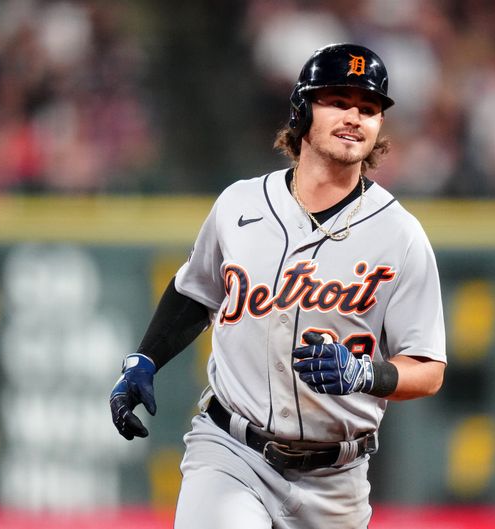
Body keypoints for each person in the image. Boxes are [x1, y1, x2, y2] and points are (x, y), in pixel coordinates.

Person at [109, 43, 447, 529]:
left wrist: (365, 375)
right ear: (302, 110)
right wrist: (144, 359)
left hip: (338, 479)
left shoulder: (400, 234)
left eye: (368, 109)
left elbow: (428, 369)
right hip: (231, 452)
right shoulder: (239, 205)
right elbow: (196, 291)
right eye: (338, 101)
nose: (354, 117)